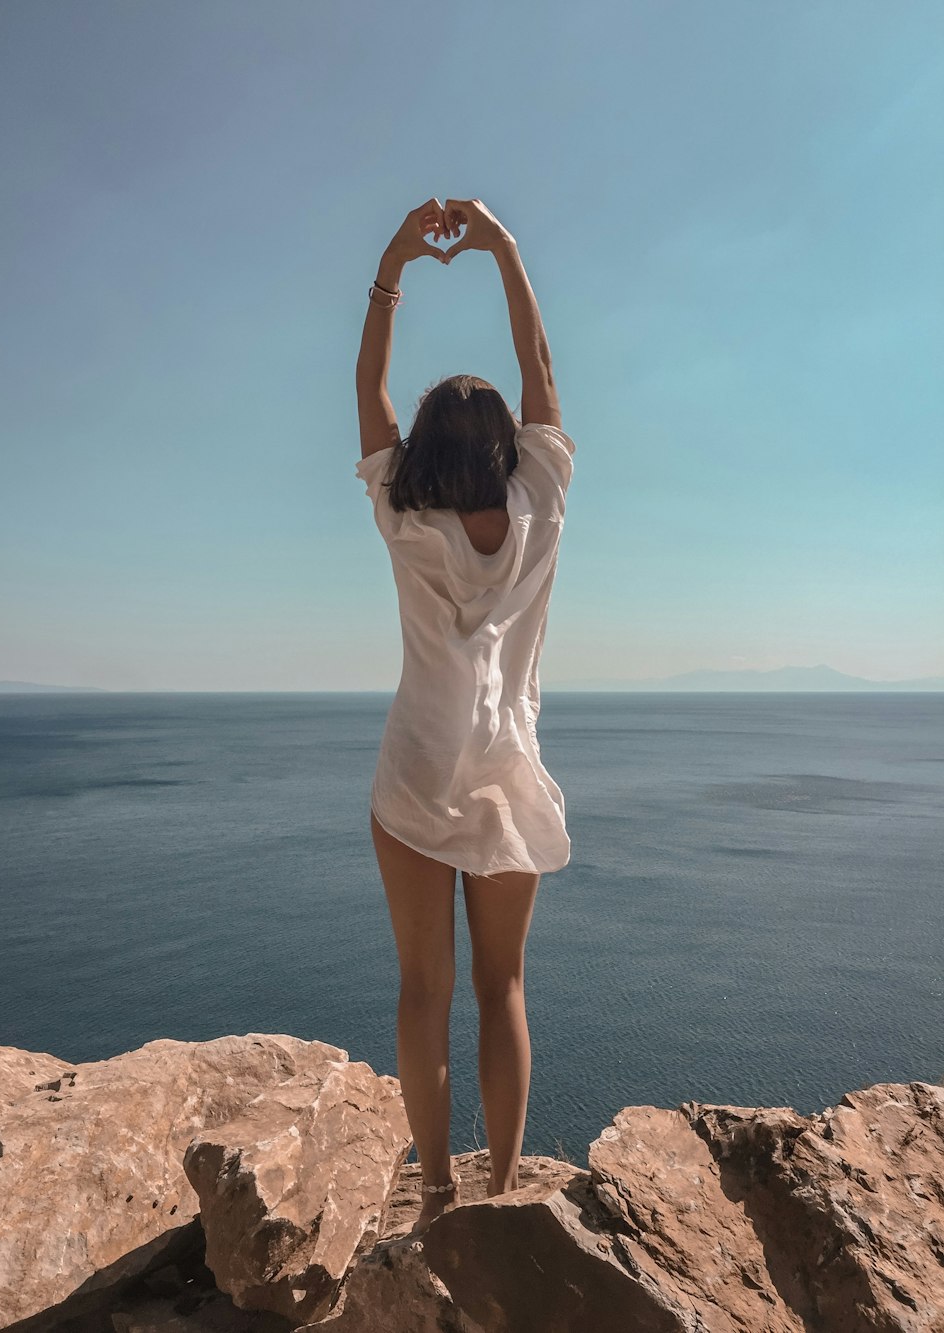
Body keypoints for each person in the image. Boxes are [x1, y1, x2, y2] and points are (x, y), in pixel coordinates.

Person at [354, 198, 574, 1240]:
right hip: (508, 783)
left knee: (419, 992)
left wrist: (395, 263)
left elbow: (369, 392)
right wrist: (504, 248)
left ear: (427, 448)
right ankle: (498, 1194)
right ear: (506, 444)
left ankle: (435, 1188)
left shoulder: (402, 516)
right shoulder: (540, 508)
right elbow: (537, 367)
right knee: (504, 987)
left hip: (412, 779)